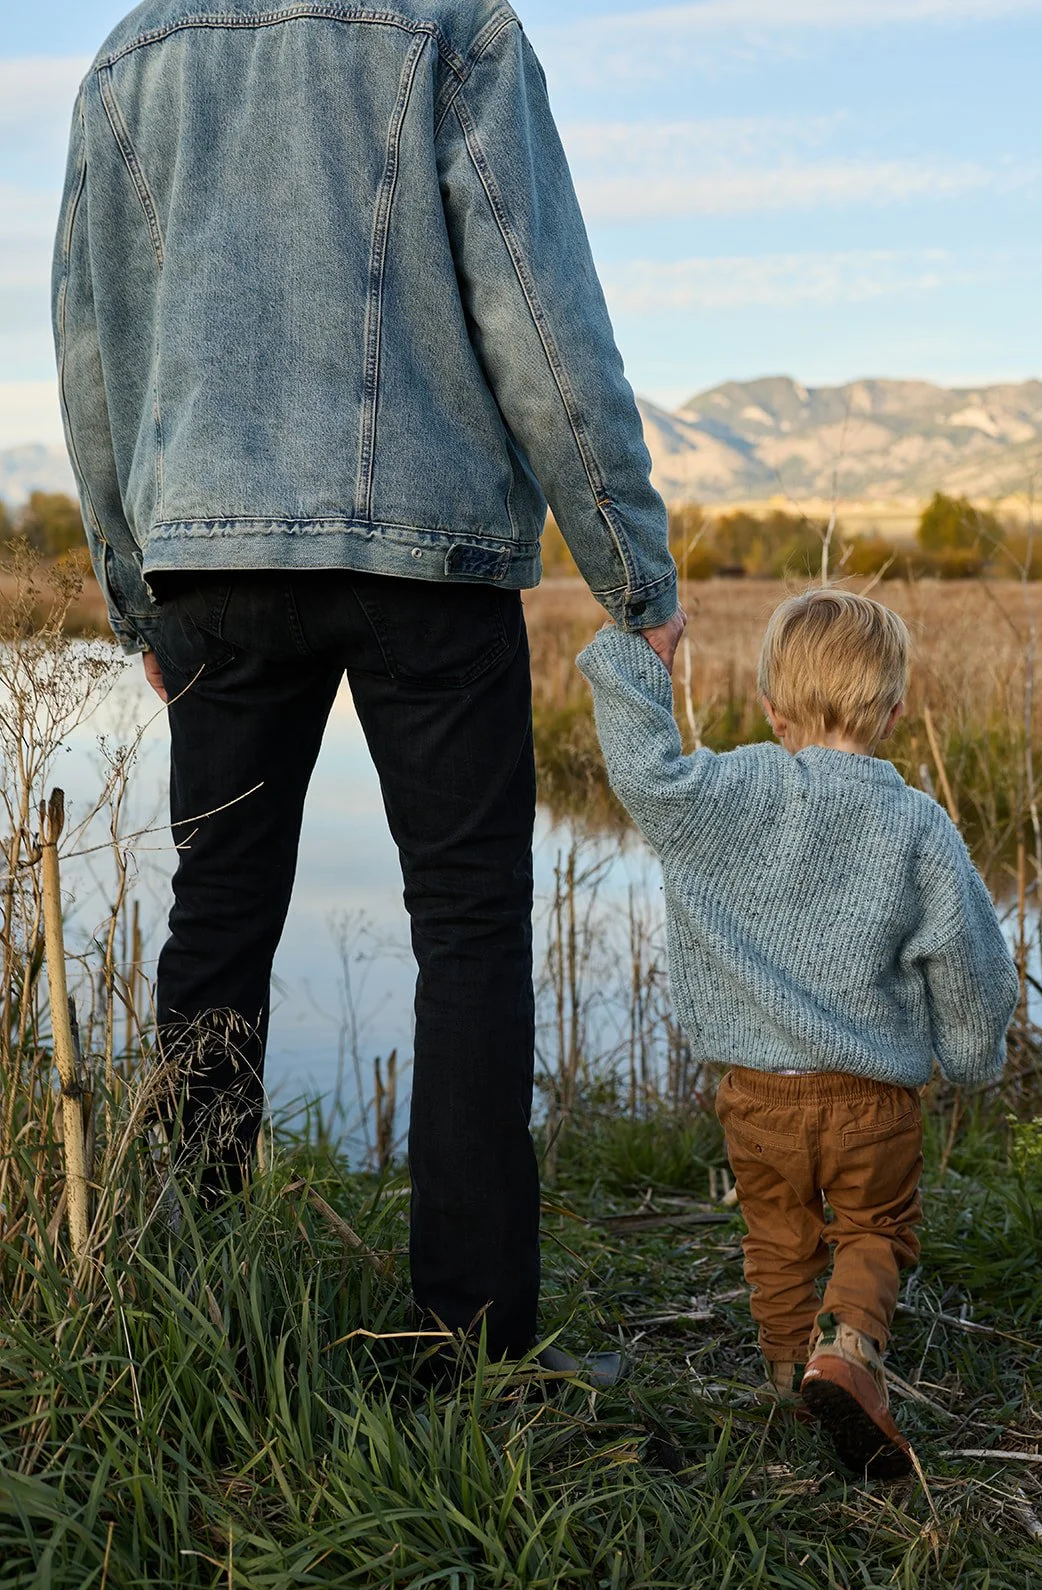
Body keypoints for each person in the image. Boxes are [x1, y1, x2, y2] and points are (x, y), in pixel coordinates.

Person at [52, 0, 684, 1372]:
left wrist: (130, 586)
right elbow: (537, 308)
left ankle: (190, 1292)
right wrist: (633, 572)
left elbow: (94, 351)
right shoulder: (450, 24)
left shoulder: (125, 61)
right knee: (467, 929)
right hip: (431, 553)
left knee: (213, 921)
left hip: (207, 557)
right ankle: (464, 1342)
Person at [578, 589, 1018, 1475]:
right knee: (874, 1228)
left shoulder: (726, 790)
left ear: (773, 710)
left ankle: (787, 1379)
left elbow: (646, 772)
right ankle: (848, 1353)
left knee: (777, 1235)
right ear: (894, 712)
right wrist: (971, 1057)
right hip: (872, 1100)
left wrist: (636, 660)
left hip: (757, 1098)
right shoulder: (916, 823)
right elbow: (970, 963)